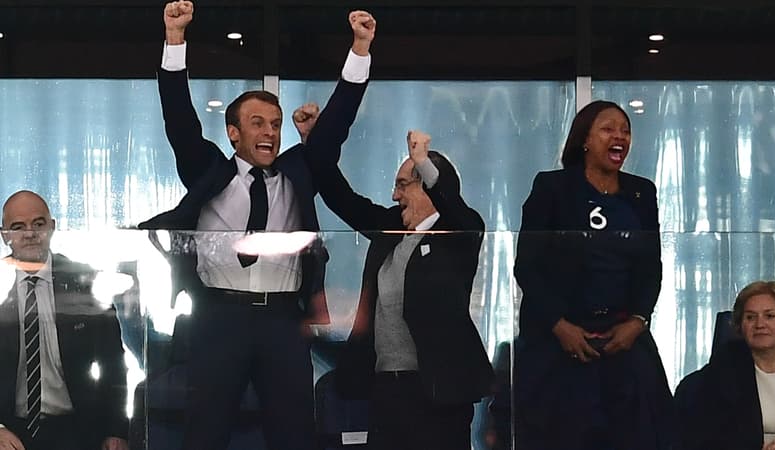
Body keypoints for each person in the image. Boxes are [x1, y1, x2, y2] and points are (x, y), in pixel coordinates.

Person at [137, 1, 374, 449]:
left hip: (284, 321)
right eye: (257, 123)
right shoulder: (209, 169)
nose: (269, 133)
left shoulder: (298, 172)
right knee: (206, 431)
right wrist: (174, 39)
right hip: (219, 316)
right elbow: (179, 121)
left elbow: (335, 126)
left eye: (276, 125)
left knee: (294, 435)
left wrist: (360, 48)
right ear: (233, 133)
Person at [303, 125, 494, 450]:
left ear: (427, 187)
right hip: (386, 389)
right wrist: (315, 143)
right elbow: (341, 198)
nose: (395, 195)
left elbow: (451, 202)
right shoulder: (391, 229)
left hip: (438, 389)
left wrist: (422, 160)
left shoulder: (459, 230)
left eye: (403, 185)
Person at [513, 100, 672, 449]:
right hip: (563, 343)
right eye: (608, 129)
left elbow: (651, 267)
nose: (619, 137)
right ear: (585, 139)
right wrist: (559, 325)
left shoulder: (641, 192)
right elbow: (527, 266)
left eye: (625, 130)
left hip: (622, 339)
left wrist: (638, 321)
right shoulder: (552, 188)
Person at [0, 190, 128, 450]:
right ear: (5, 236)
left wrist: (116, 430)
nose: (29, 233)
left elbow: (113, 360)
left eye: (38, 224)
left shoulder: (85, 281)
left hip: (77, 427)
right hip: (9, 430)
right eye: (18, 227)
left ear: (52, 227)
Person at [676, 281, 775, 450]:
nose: (759, 324)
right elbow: (708, 435)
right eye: (750, 317)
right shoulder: (724, 366)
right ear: (741, 325)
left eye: (769, 316)